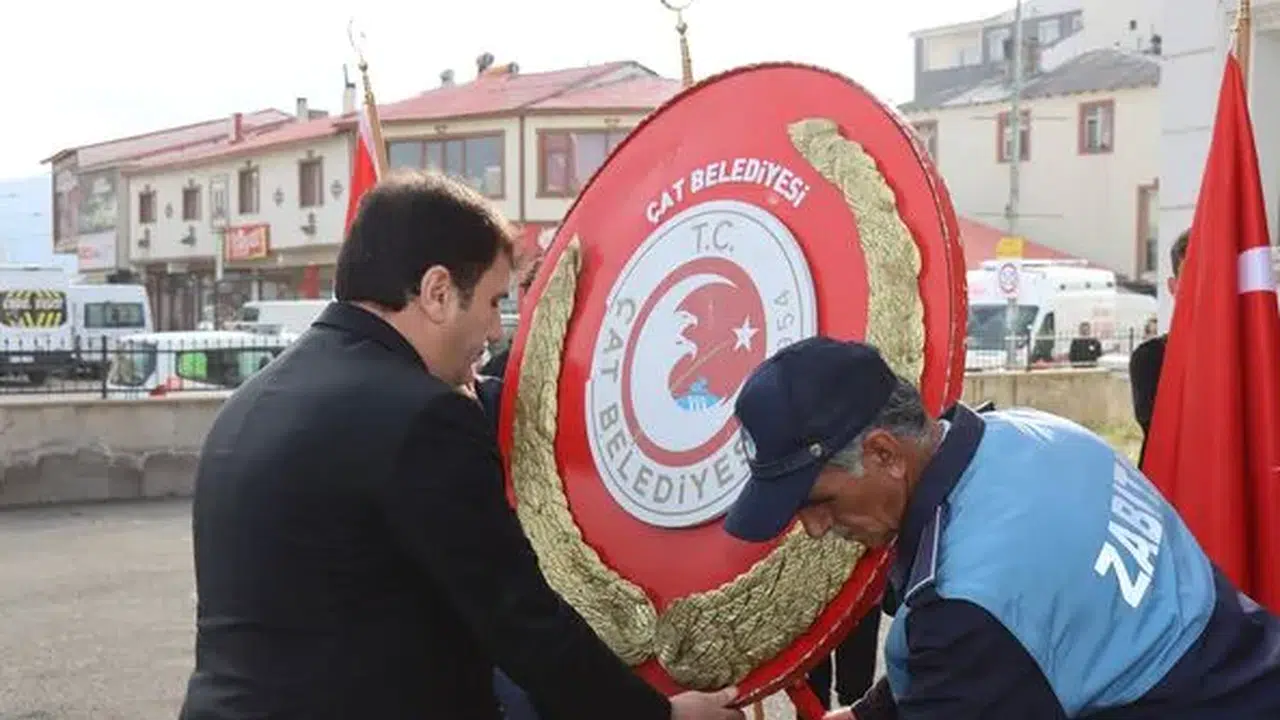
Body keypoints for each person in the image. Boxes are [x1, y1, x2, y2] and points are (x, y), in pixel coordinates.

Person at [178, 170, 743, 720]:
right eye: (494, 302)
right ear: (438, 292)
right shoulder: (422, 416)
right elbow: (519, 620)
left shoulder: (249, 404)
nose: (496, 332)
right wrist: (657, 715)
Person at [723, 336, 1280, 719]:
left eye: (818, 500)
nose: (814, 528)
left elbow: (987, 638)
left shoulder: (963, 600)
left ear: (884, 453)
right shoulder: (1033, 433)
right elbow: (1024, 642)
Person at [1129, 229, 1189, 465]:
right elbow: (1160, 429)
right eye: (1192, 278)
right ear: (1173, 287)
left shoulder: (1258, 359)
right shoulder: (1151, 358)